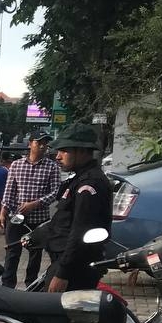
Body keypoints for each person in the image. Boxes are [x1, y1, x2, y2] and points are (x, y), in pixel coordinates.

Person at [44, 124, 113, 293]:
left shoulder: (90, 185)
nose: (58, 157)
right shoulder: (78, 179)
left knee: (53, 316)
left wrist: (63, 274)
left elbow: (80, 232)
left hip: (75, 269)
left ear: (82, 151)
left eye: (64, 151)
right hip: (66, 263)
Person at [0, 131, 63, 288]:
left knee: (35, 256)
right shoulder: (16, 165)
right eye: (38, 142)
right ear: (30, 144)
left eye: (45, 143)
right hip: (16, 217)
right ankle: (7, 288)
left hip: (39, 219)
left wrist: (36, 203)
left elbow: (56, 192)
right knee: (12, 253)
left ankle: (30, 286)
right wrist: (3, 212)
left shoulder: (52, 167)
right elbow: (9, 191)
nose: (42, 146)